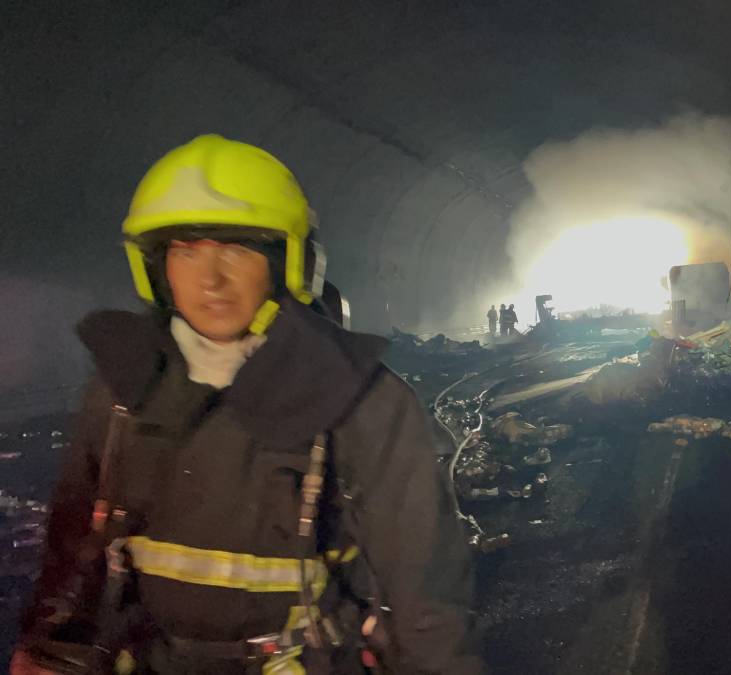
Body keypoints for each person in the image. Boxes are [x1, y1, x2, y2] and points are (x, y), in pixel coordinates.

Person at [12, 135, 482, 675]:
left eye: (236, 249)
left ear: (288, 263)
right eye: (186, 251)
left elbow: (425, 590)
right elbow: (75, 552)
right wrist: (49, 653)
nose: (210, 280)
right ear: (156, 269)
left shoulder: (359, 398)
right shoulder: (122, 389)